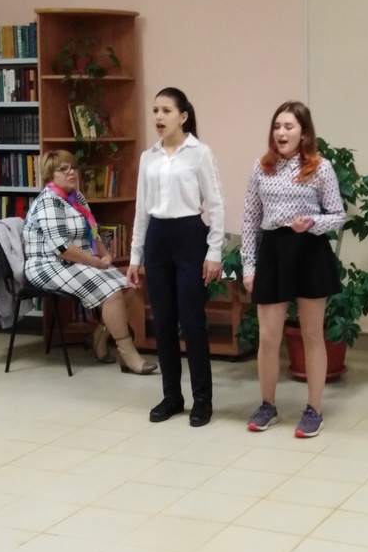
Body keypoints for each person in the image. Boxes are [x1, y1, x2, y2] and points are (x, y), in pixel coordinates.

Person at [241, 101, 346, 437]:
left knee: (312, 335)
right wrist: (248, 265)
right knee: (268, 337)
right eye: (277, 126)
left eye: (289, 126)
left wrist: (312, 222)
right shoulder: (261, 168)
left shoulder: (321, 168)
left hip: (309, 250)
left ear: (303, 133)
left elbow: (338, 216)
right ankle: (267, 405)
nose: (281, 132)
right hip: (273, 251)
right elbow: (250, 220)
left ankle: (314, 410)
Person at [127, 87, 224, 427]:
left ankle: (202, 400)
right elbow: (141, 210)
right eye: (155, 110)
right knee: (163, 321)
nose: (158, 116)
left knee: (192, 321)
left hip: (189, 236)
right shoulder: (148, 157)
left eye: (166, 110)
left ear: (183, 116)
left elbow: (216, 205)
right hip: (157, 237)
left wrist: (214, 252)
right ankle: (172, 397)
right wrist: (135, 256)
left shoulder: (200, 153)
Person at [23, 149, 157, 375]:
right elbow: (63, 249)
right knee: (111, 291)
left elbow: (92, 232)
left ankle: (99, 337)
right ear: (50, 175)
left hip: (77, 261)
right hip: (48, 264)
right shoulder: (48, 202)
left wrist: (105, 254)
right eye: (63, 169)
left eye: (73, 167)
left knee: (130, 283)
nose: (71, 172)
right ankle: (127, 354)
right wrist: (95, 262)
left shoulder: (77, 198)